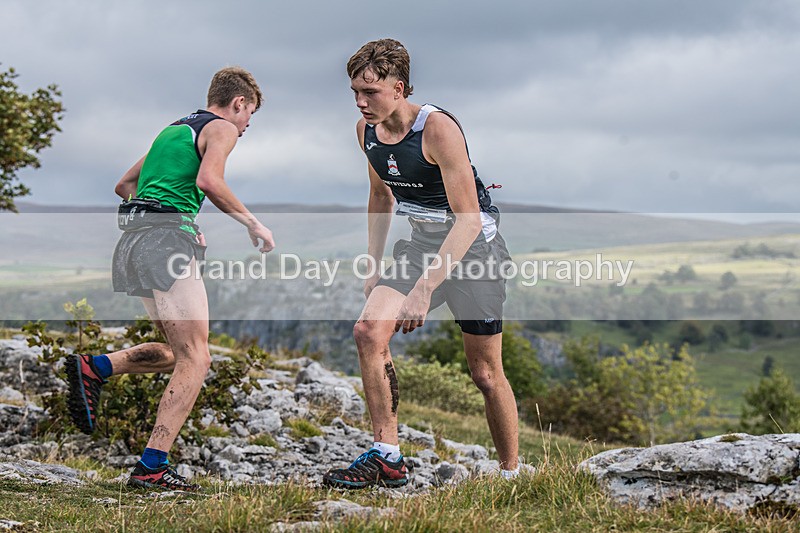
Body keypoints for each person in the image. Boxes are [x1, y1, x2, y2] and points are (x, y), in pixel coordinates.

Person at [65, 67, 275, 492]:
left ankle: (96, 367)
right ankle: (152, 467)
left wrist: (161, 211)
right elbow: (209, 181)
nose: (246, 126)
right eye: (249, 115)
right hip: (166, 245)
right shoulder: (221, 128)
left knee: (178, 353)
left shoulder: (173, 130)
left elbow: (125, 185)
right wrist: (253, 224)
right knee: (197, 358)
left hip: (133, 246)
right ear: (238, 104)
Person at [322, 39, 519, 490]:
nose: (360, 102)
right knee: (368, 330)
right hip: (421, 246)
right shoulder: (365, 131)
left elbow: (468, 219)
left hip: (474, 254)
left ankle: (512, 475)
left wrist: (425, 288)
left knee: (485, 375)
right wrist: (373, 266)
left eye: (369, 92)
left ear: (400, 87)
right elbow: (379, 195)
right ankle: (386, 457)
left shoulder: (438, 129)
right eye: (354, 91)